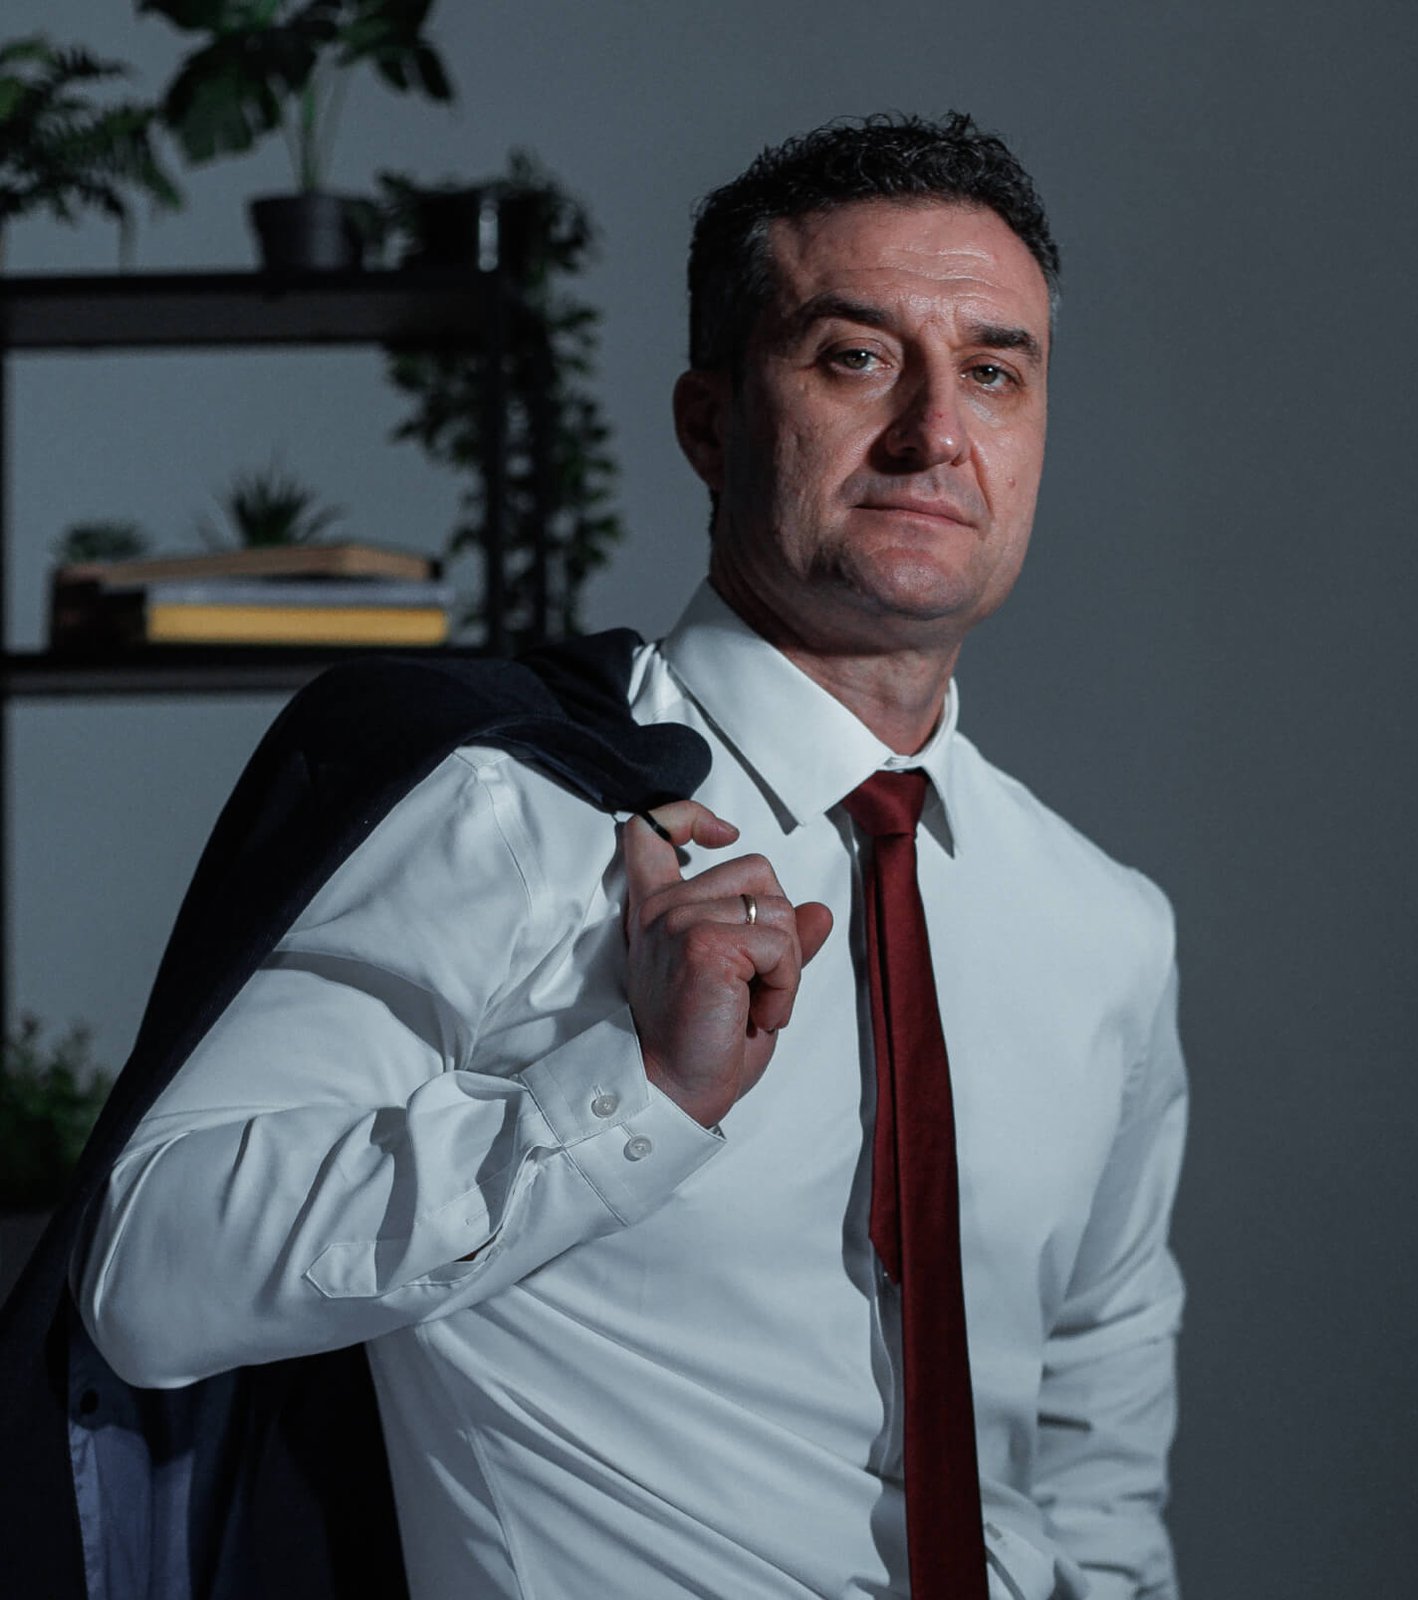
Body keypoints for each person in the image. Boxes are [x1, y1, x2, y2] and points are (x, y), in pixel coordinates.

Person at [68, 112, 1187, 1599]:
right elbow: (149, 1271)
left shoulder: (1105, 929)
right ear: (709, 424)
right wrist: (631, 1098)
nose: (935, 433)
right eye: (856, 357)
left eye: (993, 371)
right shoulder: (507, 813)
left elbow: (1096, 1437)